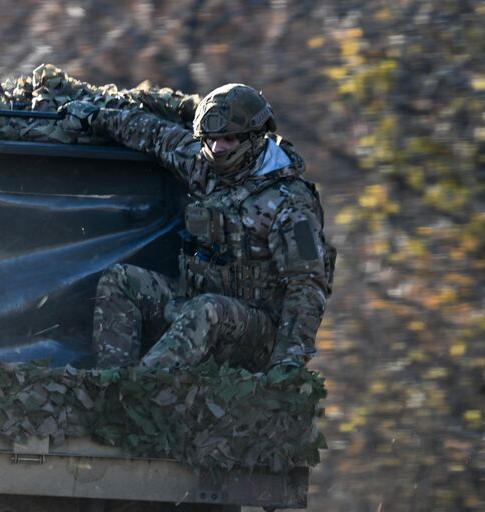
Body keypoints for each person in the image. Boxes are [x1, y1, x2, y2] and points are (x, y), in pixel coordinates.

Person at [61, 84, 334, 374]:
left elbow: (307, 284)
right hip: (195, 303)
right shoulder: (204, 165)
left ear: (254, 137)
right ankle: (112, 381)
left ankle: (137, 393)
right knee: (121, 280)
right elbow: (153, 134)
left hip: (258, 333)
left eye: (228, 139)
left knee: (207, 310)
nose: (218, 148)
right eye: (211, 139)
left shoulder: (291, 203)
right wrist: (94, 117)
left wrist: (288, 361)